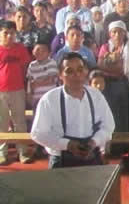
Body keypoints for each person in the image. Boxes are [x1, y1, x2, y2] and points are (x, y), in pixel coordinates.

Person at [31, 52, 115, 168]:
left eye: (80, 70)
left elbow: (108, 126)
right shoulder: (49, 100)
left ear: (86, 71)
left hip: (92, 157)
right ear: (60, 75)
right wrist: (67, 145)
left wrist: (94, 142)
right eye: (69, 71)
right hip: (61, 160)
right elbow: (38, 133)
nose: (76, 75)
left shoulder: (96, 96)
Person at [97, 21, 129, 135]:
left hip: (124, 83)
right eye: (114, 32)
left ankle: (123, 138)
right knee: (109, 111)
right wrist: (116, 64)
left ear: (125, 33)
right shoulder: (105, 47)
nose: (117, 35)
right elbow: (100, 65)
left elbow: (127, 69)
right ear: (110, 34)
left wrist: (111, 64)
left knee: (123, 112)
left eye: (120, 32)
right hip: (107, 84)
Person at [0, 20, 33, 163]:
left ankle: (22, 151)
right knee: (2, 122)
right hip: (1, 92)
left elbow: (25, 68)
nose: (9, 36)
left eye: (12, 33)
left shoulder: (21, 49)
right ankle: (2, 152)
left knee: (19, 121)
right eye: (5, 33)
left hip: (18, 90)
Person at [26, 42, 58, 114]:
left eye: (43, 50)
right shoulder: (32, 65)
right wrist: (29, 94)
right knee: (37, 116)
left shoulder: (51, 63)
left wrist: (37, 84)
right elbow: (30, 81)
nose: (40, 52)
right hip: (36, 98)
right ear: (33, 51)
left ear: (49, 53)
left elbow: (52, 80)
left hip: (50, 97)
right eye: (37, 50)